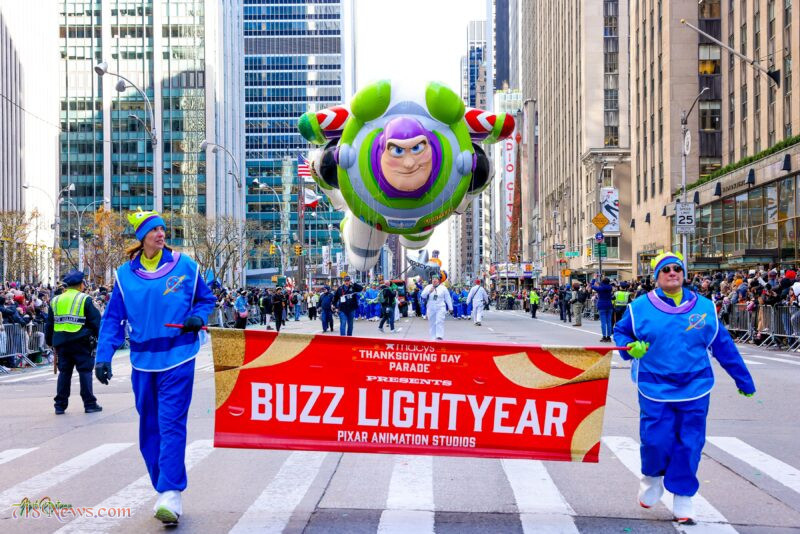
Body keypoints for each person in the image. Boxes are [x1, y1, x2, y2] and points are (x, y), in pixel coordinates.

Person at [613, 251, 755, 524]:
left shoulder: (705, 307)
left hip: (695, 386)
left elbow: (723, 346)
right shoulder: (639, 307)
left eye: (676, 268)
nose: (672, 273)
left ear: (684, 274)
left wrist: (743, 379)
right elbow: (621, 333)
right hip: (654, 385)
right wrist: (630, 347)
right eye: (665, 270)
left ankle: (683, 497)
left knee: (690, 443)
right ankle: (652, 478)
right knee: (656, 440)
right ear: (657, 277)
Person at [94, 209, 216, 525]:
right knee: (149, 428)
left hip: (179, 357)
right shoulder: (124, 275)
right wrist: (103, 356)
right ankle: (163, 485)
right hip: (143, 362)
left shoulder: (185, 266)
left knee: (171, 423)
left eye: (162, 229)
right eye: (154, 230)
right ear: (142, 237)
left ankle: (170, 493)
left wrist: (198, 316)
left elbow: (206, 299)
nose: (161, 234)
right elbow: (113, 319)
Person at [45, 269, 102, 415]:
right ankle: (89, 404)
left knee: (64, 373)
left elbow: (49, 324)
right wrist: (100, 340)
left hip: (62, 344)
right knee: (85, 372)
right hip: (82, 342)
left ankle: (60, 405)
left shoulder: (55, 300)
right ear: (81, 284)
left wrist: (50, 341)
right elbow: (96, 322)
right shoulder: (84, 299)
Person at [420, 275, 453, 340]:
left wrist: (450, 308)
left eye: (436, 279)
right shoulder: (428, 287)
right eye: (433, 279)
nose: (434, 280)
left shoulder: (443, 288)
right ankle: (433, 338)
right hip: (431, 307)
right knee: (432, 323)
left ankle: (439, 336)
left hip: (440, 307)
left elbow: (448, 298)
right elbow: (423, 295)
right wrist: (429, 291)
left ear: (438, 280)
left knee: (439, 321)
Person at [591, 277, 614, 342]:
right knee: (609, 322)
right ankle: (609, 337)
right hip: (609, 305)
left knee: (603, 322)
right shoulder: (610, 287)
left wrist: (594, 279)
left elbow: (592, 286)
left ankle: (604, 336)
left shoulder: (600, 288)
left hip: (602, 305)